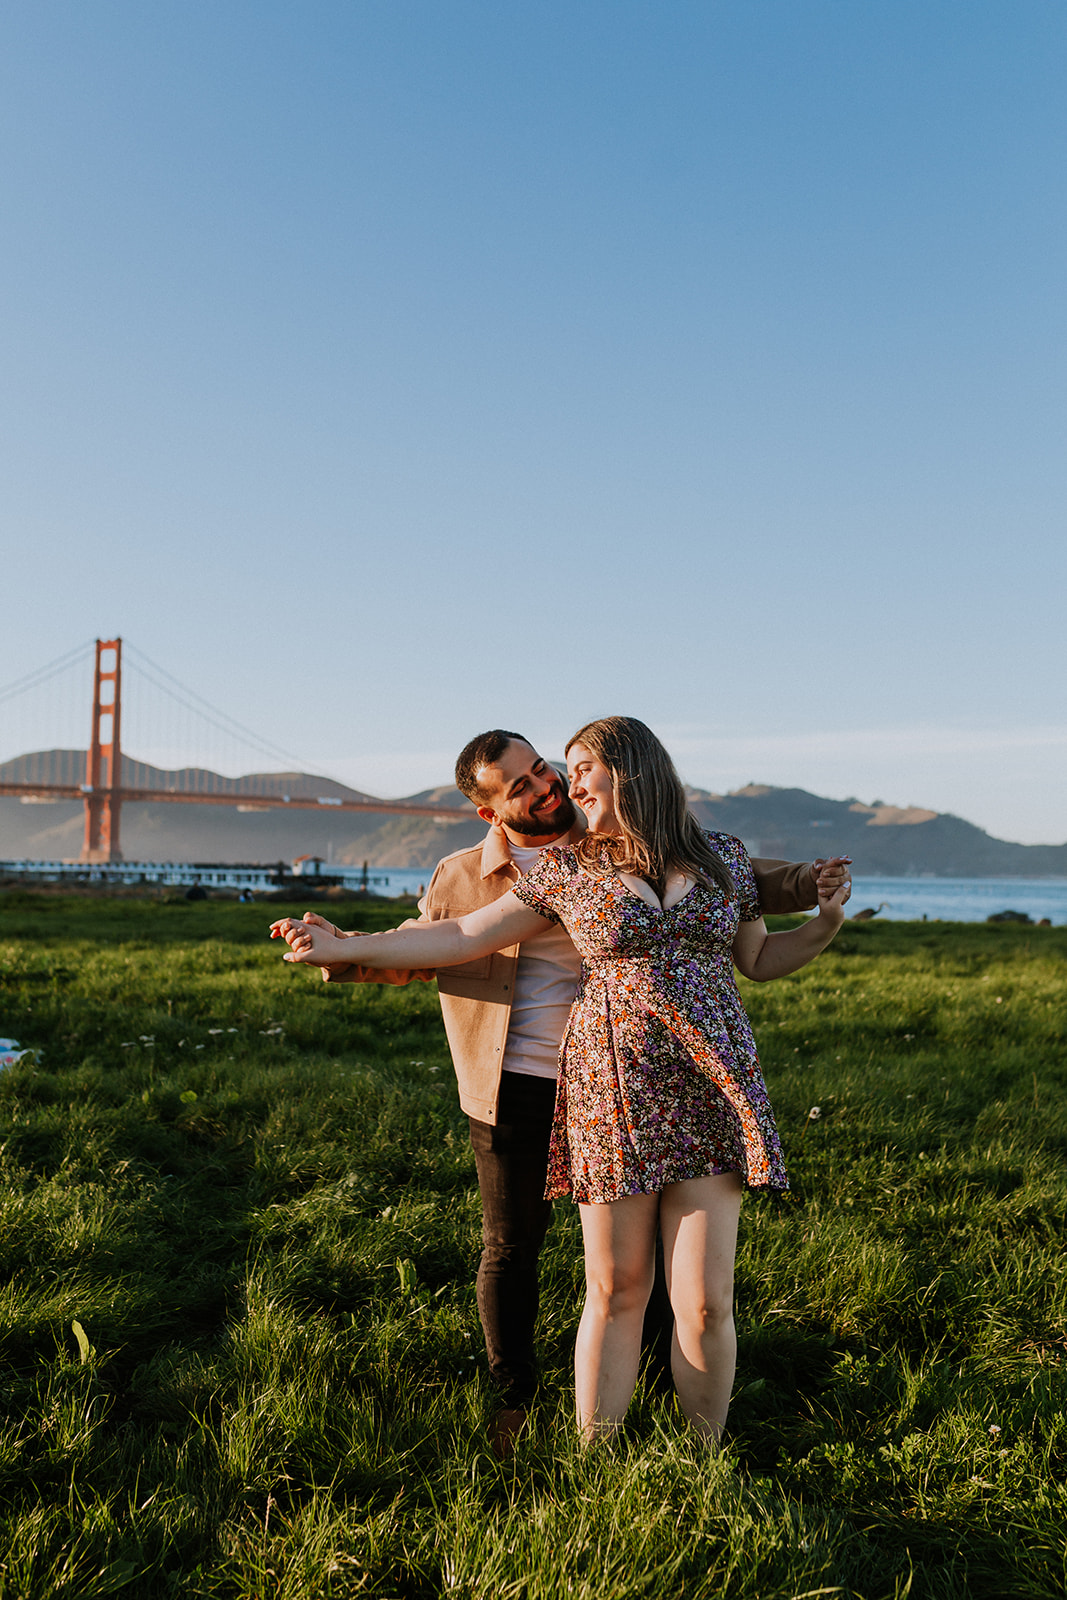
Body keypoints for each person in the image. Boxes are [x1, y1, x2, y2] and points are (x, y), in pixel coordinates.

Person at [273, 720, 848, 1444]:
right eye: (551, 775)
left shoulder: (718, 857)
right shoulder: (564, 868)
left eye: (574, 768)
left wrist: (824, 916)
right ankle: (576, 1449)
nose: (563, 785)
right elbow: (456, 936)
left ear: (630, 772)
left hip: (708, 1083)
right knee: (603, 1283)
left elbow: (759, 953)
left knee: (703, 1301)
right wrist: (342, 946)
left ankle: (699, 1461)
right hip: (597, 1084)